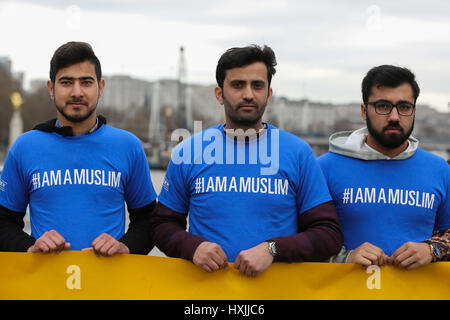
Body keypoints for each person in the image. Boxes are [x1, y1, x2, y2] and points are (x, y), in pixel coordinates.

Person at [151, 45, 343, 277]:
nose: (249, 94)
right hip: (207, 297)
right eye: (237, 84)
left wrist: (273, 249)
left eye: (258, 85)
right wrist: (193, 247)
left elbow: (328, 234)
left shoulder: (298, 153)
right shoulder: (188, 152)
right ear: (219, 94)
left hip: (276, 293)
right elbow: (161, 225)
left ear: (269, 94)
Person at [0, 42, 157, 256]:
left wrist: (125, 247)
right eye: (66, 82)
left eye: (86, 82)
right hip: (44, 286)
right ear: (51, 88)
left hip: (109, 285)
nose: (77, 92)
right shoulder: (25, 147)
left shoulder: (128, 146)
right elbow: (4, 223)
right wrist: (29, 247)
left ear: (100, 88)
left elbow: (148, 220)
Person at [319, 65, 450, 269]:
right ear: (364, 110)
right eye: (383, 106)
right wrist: (345, 257)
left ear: (414, 110)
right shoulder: (324, 168)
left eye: (404, 107)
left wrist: (432, 250)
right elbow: (301, 235)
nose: (394, 117)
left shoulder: (440, 170)